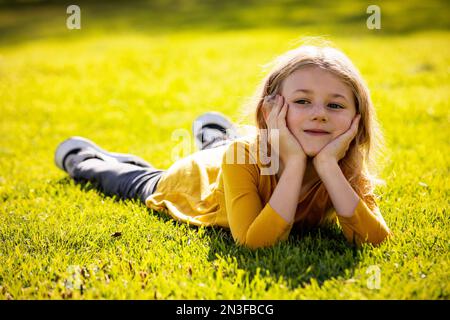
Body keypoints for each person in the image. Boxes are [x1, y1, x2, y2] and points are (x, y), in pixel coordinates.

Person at [55, 44, 391, 249]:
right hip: (196, 181)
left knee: (230, 147)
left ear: (357, 120)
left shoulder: (345, 165)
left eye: (335, 106)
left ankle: (215, 134)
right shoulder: (242, 156)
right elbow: (256, 242)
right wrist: (293, 164)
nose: (319, 115)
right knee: (139, 182)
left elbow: (373, 238)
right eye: (302, 101)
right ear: (269, 110)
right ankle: (85, 160)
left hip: (234, 157)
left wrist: (328, 167)